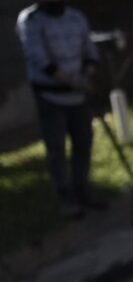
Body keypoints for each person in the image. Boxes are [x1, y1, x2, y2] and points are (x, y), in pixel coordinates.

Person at [16, 1, 104, 219]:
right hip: (50, 96)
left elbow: (90, 52)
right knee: (56, 148)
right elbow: (39, 58)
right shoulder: (31, 20)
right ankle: (66, 197)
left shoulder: (76, 18)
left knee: (83, 142)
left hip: (78, 95)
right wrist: (69, 81)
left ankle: (83, 189)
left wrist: (86, 74)